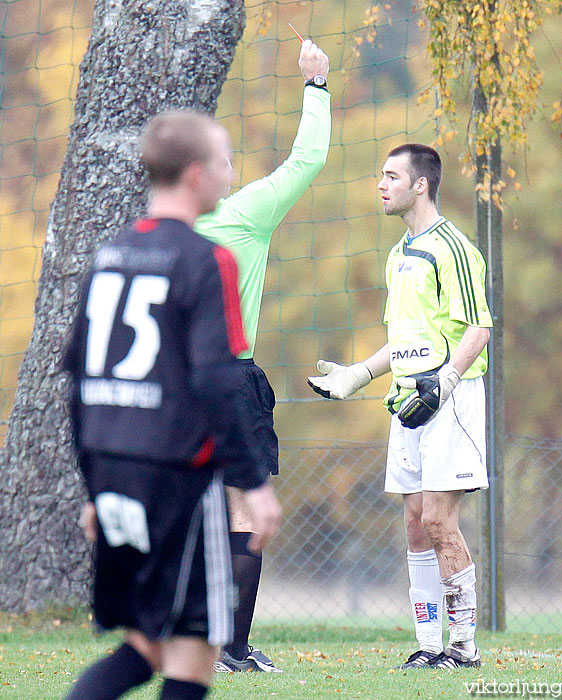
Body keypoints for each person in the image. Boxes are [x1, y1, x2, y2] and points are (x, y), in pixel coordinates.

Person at [63, 110, 282, 700]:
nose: (230, 176)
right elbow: (217, 383)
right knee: (193, 644)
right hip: (177, 480)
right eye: (223, 163)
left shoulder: (109, 254)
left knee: (146, 642)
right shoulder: (208, 260)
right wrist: (254, 485)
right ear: (194, 175)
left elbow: (78, 381)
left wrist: (94, 487)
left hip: (114, 467)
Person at [308, 143, 492, 669]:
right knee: (415, 521)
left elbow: (479, 327)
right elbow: (405, 338)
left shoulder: (452, 247)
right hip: (407, 399)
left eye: (391, 176)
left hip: (448, 399)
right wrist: (358, 375)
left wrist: (447, 379)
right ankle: (429, 646)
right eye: (380, 175)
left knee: (438, 519)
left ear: (421, 185)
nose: (381, 185)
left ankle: (464, 649)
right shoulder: (398, 255)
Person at [195, 38, 331, 673]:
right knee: (247, 514)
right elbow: (308, 159)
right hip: (230, 379)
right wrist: (316, 83)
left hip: (172, 386)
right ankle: (232, 649)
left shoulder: (158, 229)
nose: (233, 167)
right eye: (225, 159)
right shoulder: (245, 212)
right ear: (208, 173)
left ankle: (193, 637)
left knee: (191, 510)